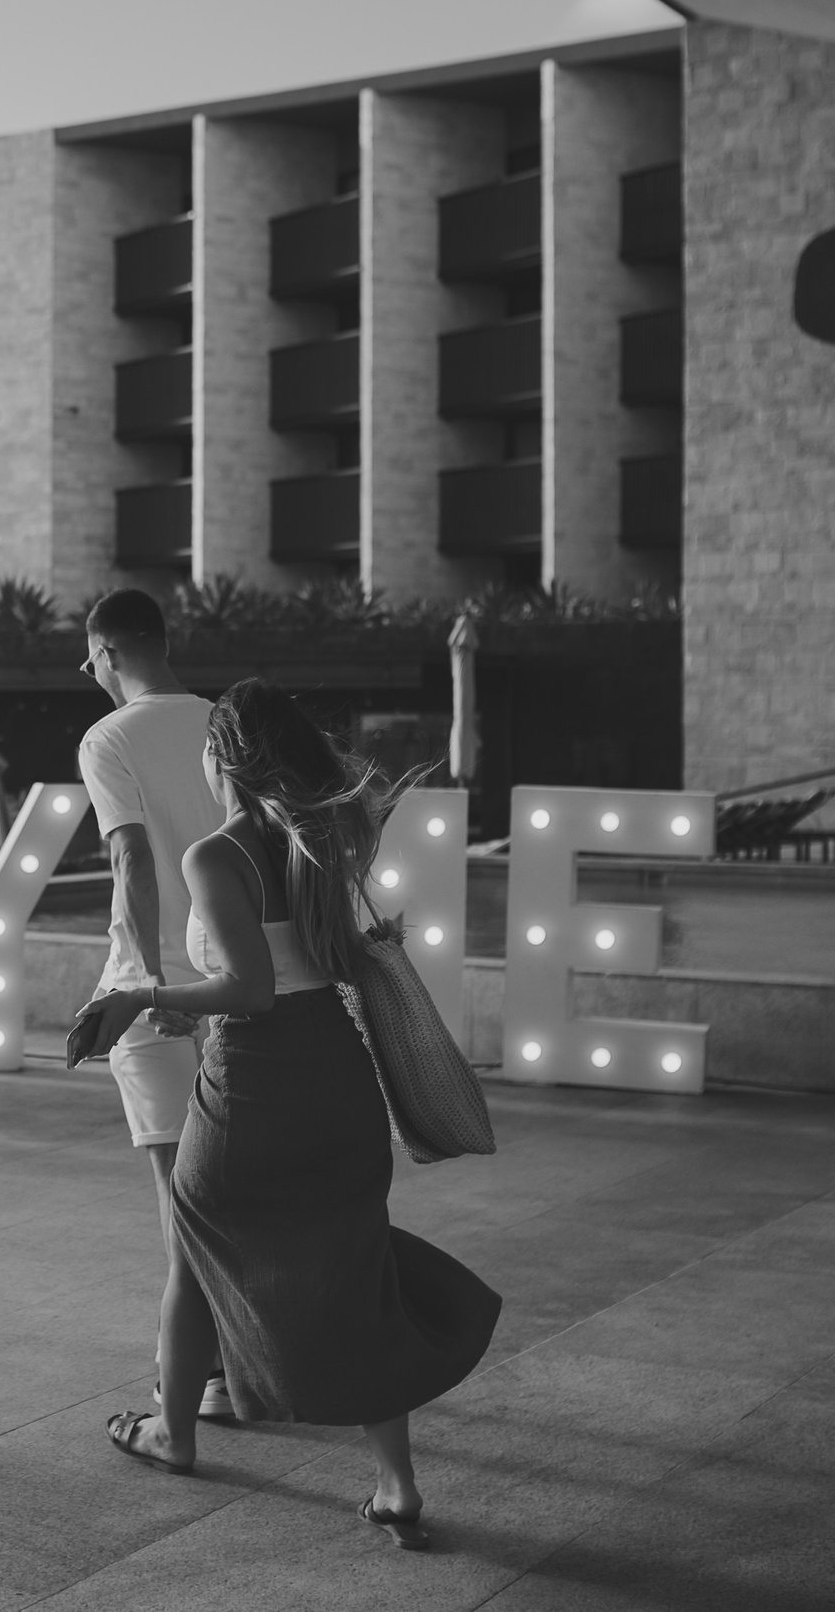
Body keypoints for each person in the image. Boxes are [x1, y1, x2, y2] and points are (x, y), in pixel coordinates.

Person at [76, 679, 500, 1551]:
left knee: (193, 1244)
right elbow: (297, 970)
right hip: (339, 1078)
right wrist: (194, 1002)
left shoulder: (216, 854)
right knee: (354, 1268)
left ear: (221, 755)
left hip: (255, 1085)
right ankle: (396, 1483)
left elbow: (252, 991)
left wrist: (144, 993)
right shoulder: (322, 837)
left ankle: (174, 1433)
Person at [76, 589, 235, 1422]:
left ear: (107, 652)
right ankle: (242, 1367)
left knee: (182, 1199)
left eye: (88, 659)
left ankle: (202, 1383)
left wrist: (141, 979)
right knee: (237, 1188)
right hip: (238, 986)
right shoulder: (226, 725)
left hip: (158, 996)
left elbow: (132, 861)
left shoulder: (108, 737)